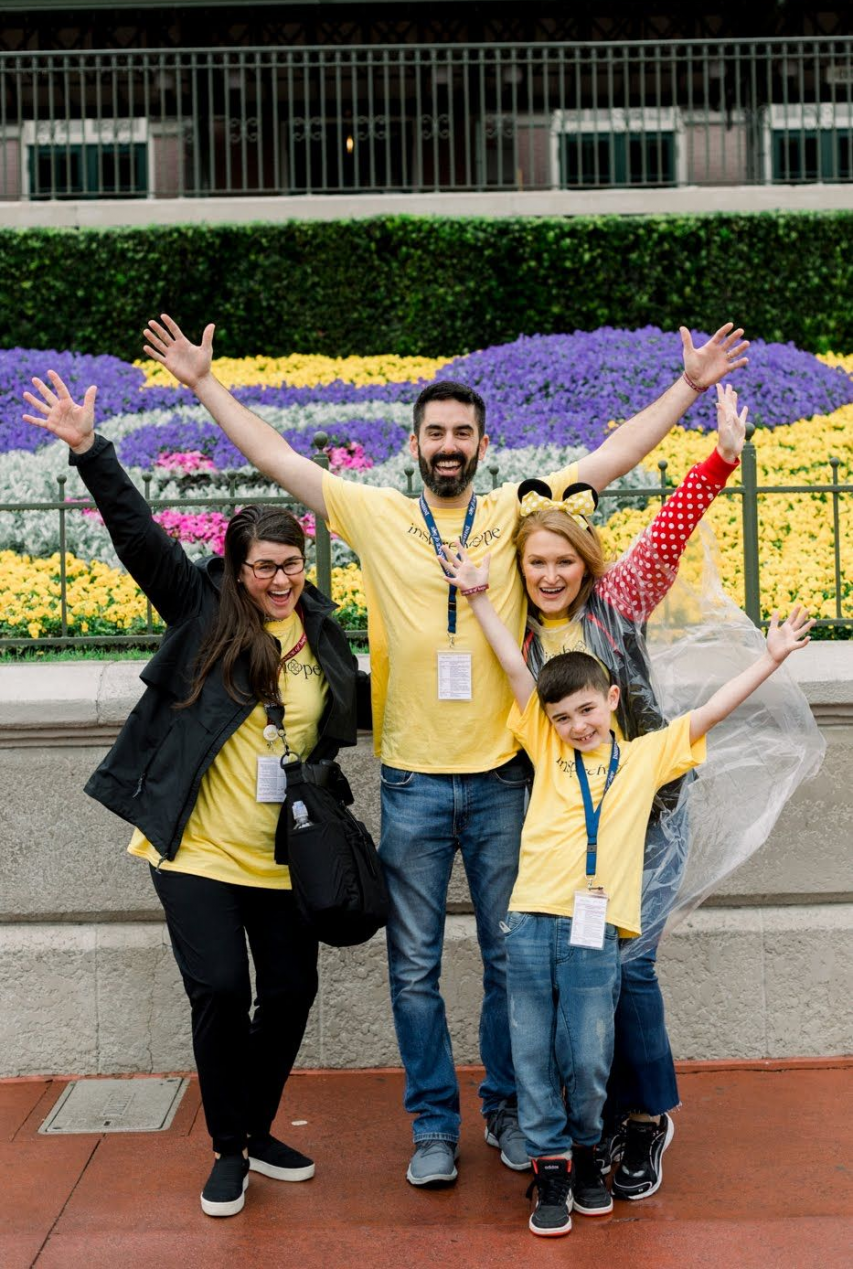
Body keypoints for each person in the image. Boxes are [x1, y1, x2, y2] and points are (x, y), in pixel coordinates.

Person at [140, 312, 749, 1186]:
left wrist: (687, 388)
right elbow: (279, 460)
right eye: (435, 432)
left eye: (463, 431)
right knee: (414, 969)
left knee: (512, 961)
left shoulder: (513, 514)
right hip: (414, 782)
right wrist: (202, 383)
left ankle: (505, 1109)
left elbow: (612, 456)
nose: (449, 444)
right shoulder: (378, 514)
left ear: (482, 442)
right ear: (414, 444)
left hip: (506, 782)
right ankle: (433, 1125)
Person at [22, 370, 359, 1219]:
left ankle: (254, 1128)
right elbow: (139, 539)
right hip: (197, 851)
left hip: (282, 855)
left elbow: (334, 729)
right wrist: (92, 451)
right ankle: (228, 1148)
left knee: (289, 995)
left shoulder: (322, 632)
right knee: (218, 990)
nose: (278, 581)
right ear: (235, 567)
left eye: (289, 566)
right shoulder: (202, 610)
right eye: (262, 569)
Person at [439, 534, 812, 1236]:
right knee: (531, 1053)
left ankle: (586, 1150)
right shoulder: (546, 743)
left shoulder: (644, 757)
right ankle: (550, 1169)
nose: (576, 726)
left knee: (585, 1054)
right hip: (530, 925)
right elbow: (518, 676)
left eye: (586, 710)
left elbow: (709, 714)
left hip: (596, 930)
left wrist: (767, 659)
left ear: (611, 699)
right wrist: (480, 597)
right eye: (562, 717)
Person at [513, 382, 747, 1202]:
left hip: (645, 810)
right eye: (536, 562)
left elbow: (669, 528)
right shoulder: (515, 627)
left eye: (562, 562)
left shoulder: (616, 605)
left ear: (585, 564)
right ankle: (598, 1115)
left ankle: (646, 1119)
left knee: (629, 967)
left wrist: (719, 455)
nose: (549, 575)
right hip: (564, 824)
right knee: (582, 970)